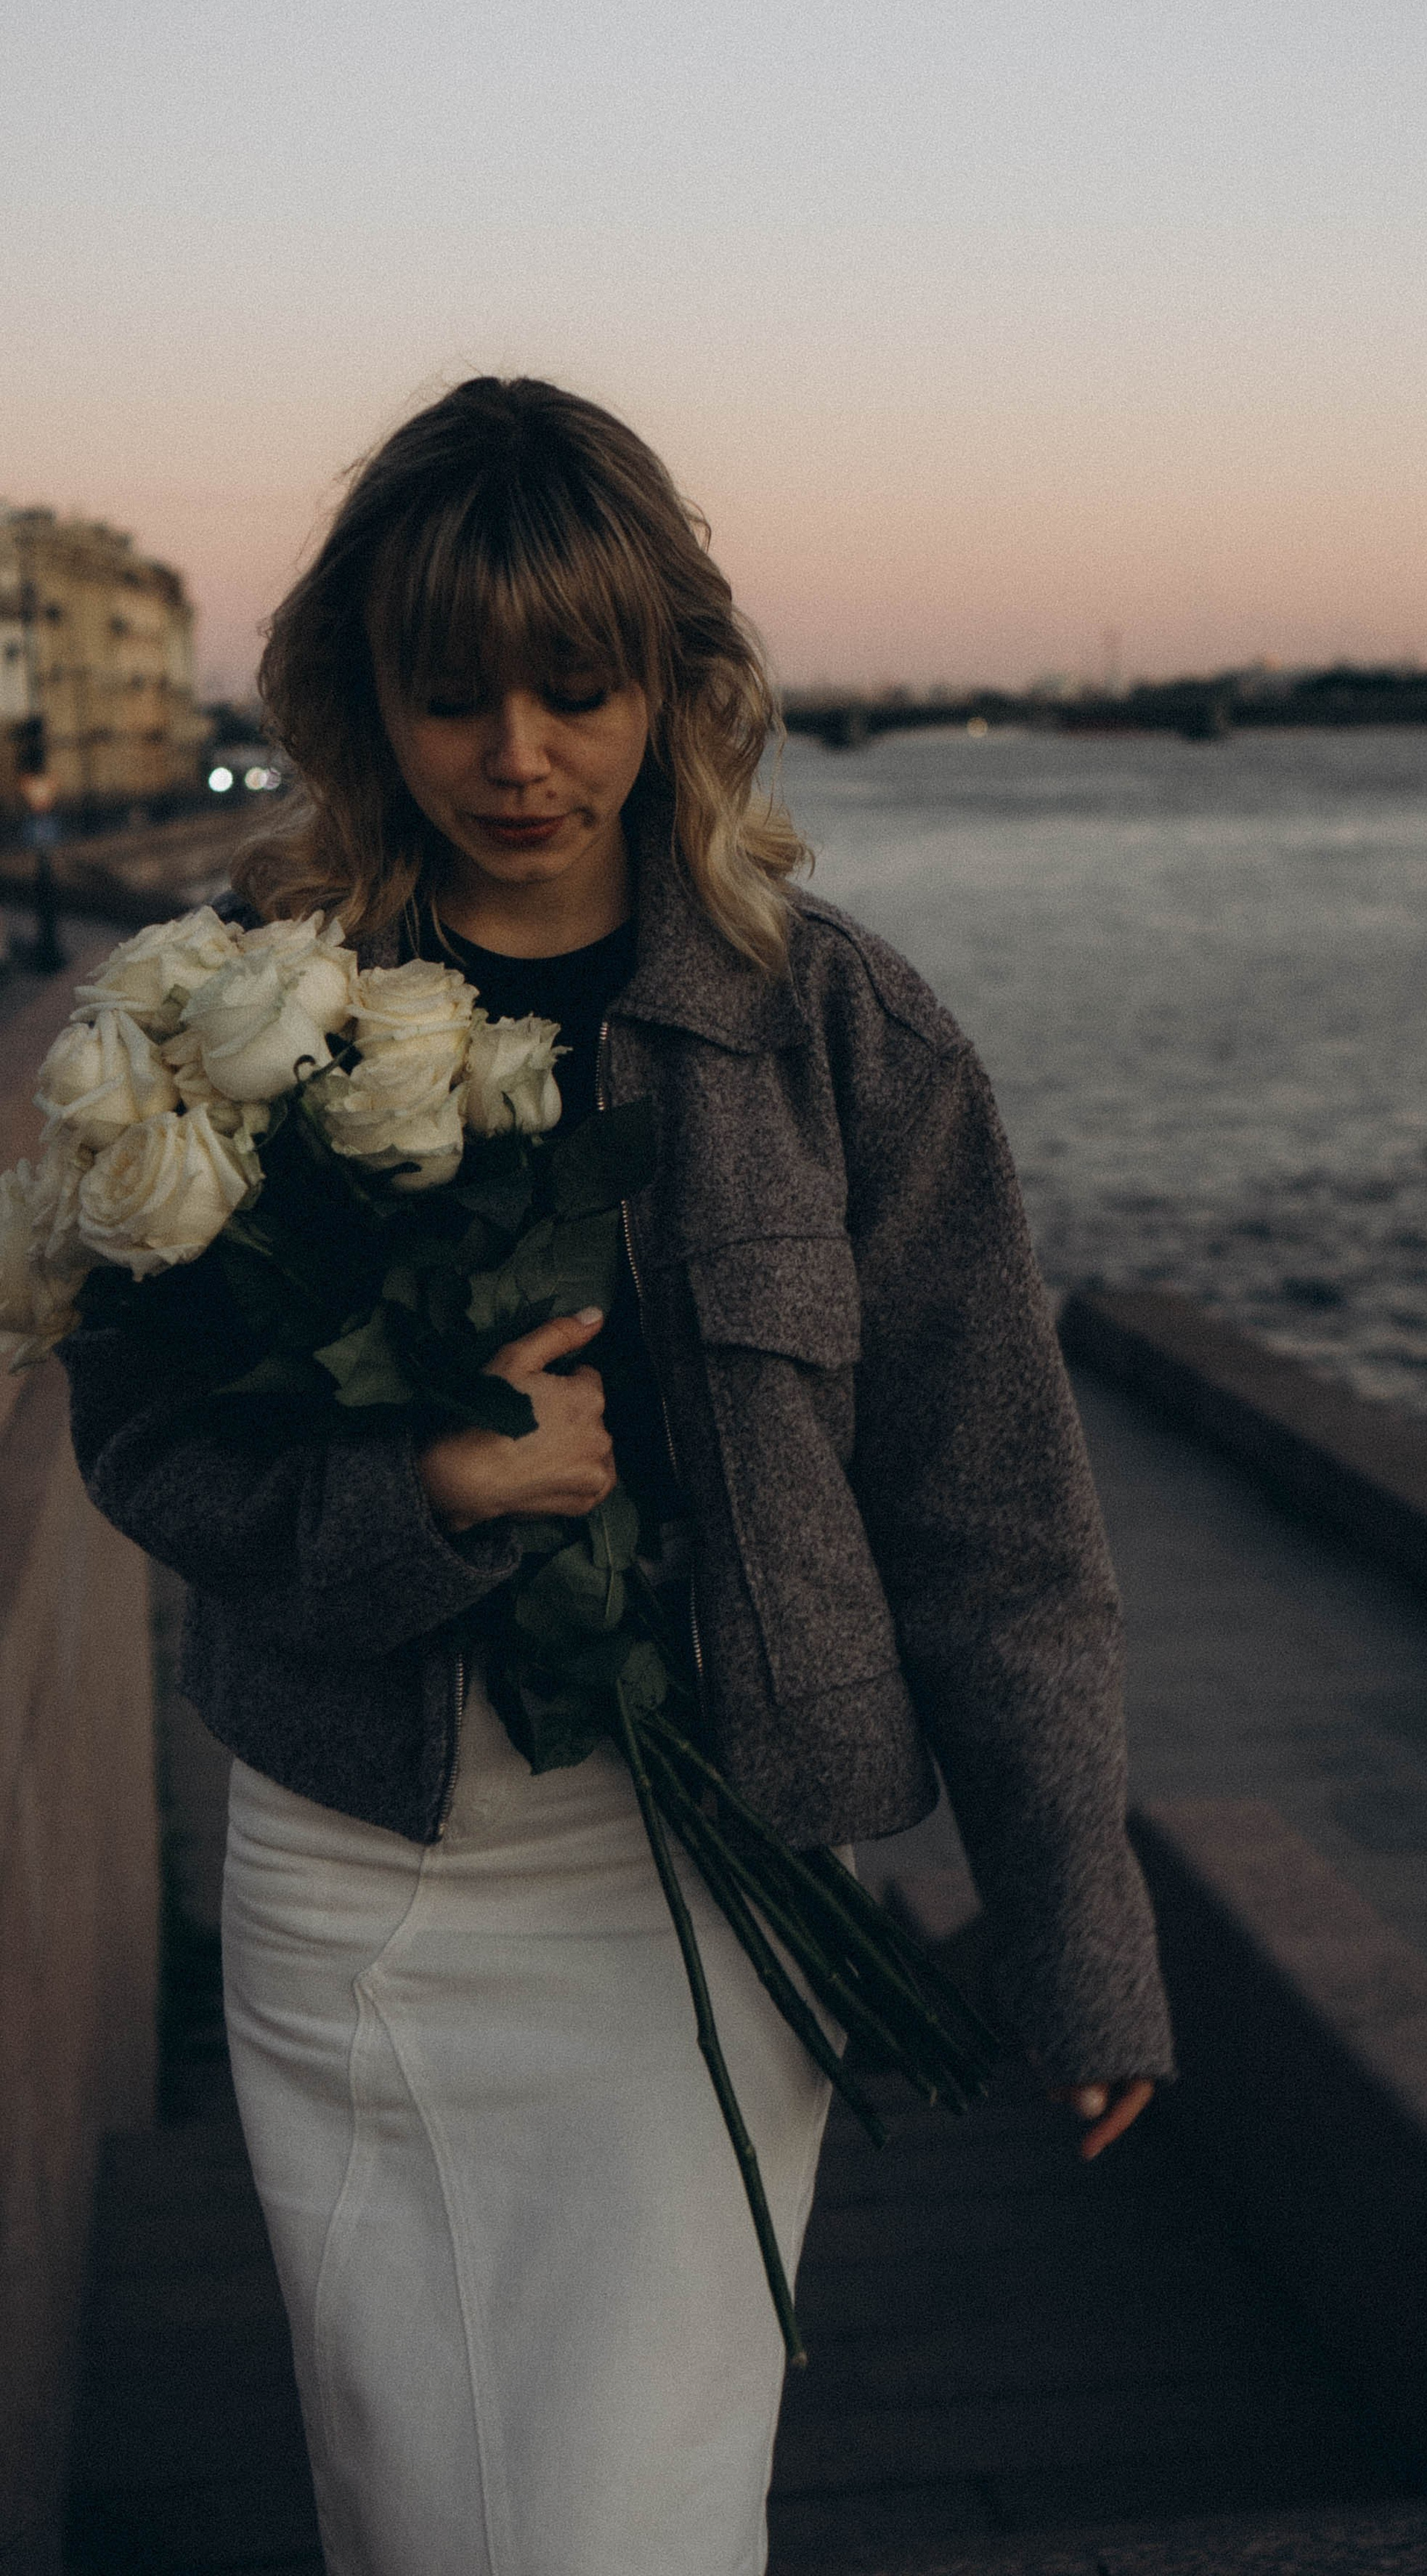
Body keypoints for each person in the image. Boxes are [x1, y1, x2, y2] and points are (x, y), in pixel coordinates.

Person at [61, 376, 1173, 2576]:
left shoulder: (844, 1038)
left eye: (578, 689)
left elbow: (1000, 1530)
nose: (519, 757)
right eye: (452, 695)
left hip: (722, 1919)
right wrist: (429, 1491)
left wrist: (1077, 1929)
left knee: (646, 2515)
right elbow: (143, 1436)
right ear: (366, 698)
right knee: (447, 2520)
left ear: (681, 681)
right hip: (371, 1886)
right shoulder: (247, 1027)